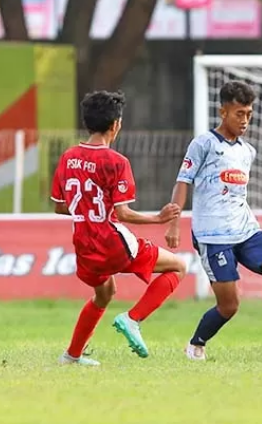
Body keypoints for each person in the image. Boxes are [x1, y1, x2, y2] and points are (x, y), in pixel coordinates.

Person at [166, 81, 262, 361]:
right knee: (229, 306)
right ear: (223, 112)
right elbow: (183, 181)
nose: (244, 120)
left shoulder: (247, 151)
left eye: (249, 114)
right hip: (212, 235)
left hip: (245, 229)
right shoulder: (203, 144)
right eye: (239, 113)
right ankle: (195, 344)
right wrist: (173, 222)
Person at [51, 90, 185, 365]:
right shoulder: (116, 162)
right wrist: (158, 219)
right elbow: (122, 213)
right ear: (115, 125)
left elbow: (60, 206)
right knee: (178, 267)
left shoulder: (68, 157)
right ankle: (132, 319)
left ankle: (72, 355)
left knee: (104, 293)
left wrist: (88, 209)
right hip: (111, 241)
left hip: (84, 243)